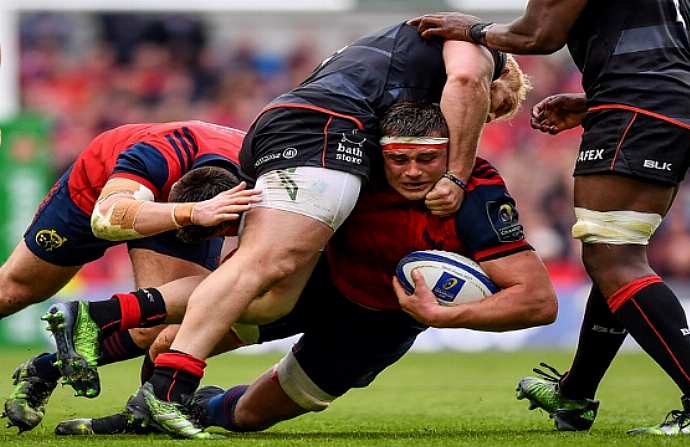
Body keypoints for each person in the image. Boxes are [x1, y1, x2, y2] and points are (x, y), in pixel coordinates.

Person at [118, 21, 530, 439]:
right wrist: (455, 176)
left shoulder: (389, 119)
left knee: (255, 376)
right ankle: (164, 386)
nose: (480, 121)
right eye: (492, 109)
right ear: (496, 80)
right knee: (252, 274)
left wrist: (447, 314)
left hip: (373, 309)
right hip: (322, 167)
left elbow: (537, 300)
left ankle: (148, 367)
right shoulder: (474, 48)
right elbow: (464, 79)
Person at [52, 102, 556, 438]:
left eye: (426, 159)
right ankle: (115, 392)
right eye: (398, 158)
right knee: (170, 340)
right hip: (317, 281)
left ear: (450, 156)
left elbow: (538, 301)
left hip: (381, 321)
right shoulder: (347, 170)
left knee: (250, 416)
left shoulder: (477, 193)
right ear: (381, 153)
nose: (411, 171)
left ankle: (197, 405)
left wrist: (442, 317)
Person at [409, 0, 690, 436]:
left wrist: (470, 29)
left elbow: (538, 36)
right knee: (612, 256)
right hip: (688, 107)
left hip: (636, 109)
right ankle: (576, 394)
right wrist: (597, 101)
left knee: (615, 260)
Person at [0, 120, 260, 432]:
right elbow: (107, 217)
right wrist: (189, 213)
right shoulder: (158, 154)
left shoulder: (265, 180)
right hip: (101, 188)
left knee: (162, 322)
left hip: (201, 206)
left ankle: (42, 371)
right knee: (13, 290)